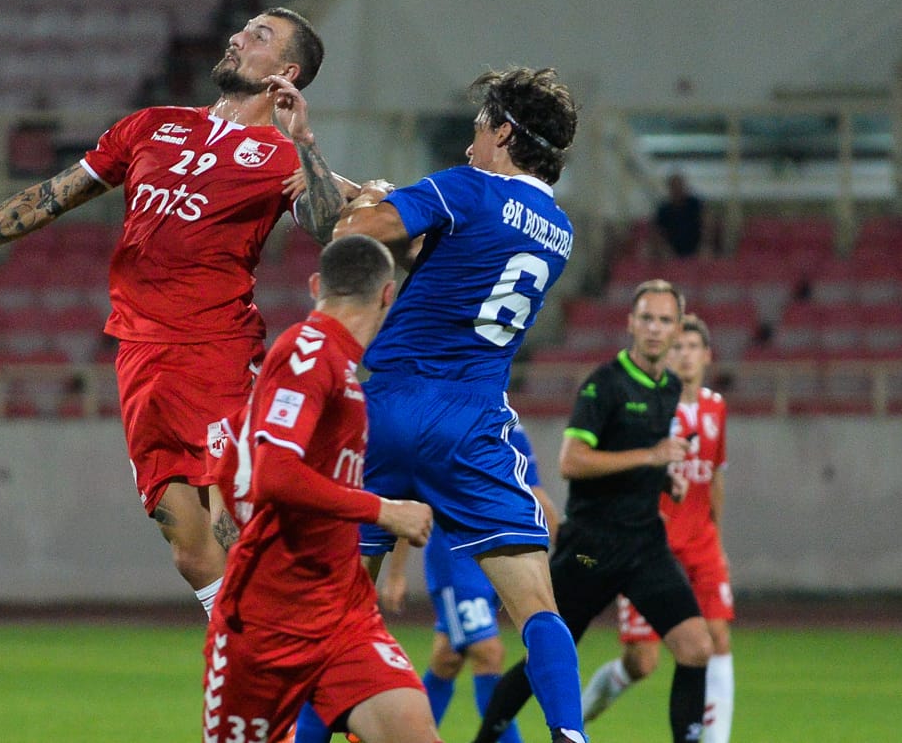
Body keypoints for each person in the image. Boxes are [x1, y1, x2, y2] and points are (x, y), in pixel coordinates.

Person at [0, 8, 350, 616]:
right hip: (139, 357)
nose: (237, 37)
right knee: (188, 547)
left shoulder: (280, 158)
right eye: (241, 29)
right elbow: (51, 196)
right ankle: (249, 664)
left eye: (258, 36)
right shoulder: (151, 126)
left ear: (285, 72)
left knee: (233, 523)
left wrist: (306, 144)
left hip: (215, 353)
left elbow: (324, 224)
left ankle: (291, 675)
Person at [267, 65, 588, 743]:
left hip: (382, 408)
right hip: (471, 419)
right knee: (535, 604)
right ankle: (570, 734)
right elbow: (453, 252)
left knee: (335, 614)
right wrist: (368, 191)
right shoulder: (556, 229)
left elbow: (364, 234)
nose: (469, 142)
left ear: (502, 131)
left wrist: (366, 200)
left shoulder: (467, 185)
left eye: (476, 128)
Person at [204, 234, 440, 743]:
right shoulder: (308, 353)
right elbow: (274, 474)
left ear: (316, 285)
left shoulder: (337, 365)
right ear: (387, 296)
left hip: (342, 613)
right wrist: (383, 510)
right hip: (271, 620)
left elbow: (243, 467)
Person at [471, 280, 713, 743]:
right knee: (543, 658)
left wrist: (664, 478)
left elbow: (644, 452)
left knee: (696, 647)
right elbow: (571, 462)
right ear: (631, 324)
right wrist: (651, 458)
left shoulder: (670, 386)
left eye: (665, 320)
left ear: (678, 327)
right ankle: (487, 738)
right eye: (646, 318)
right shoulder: (604, 385)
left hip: (644, 544)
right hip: (591, 547)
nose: (655, 329)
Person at [580, 313, 734, 743]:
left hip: (701, 542)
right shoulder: (648, 406)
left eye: (692, 347)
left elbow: (715, 475)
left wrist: (717, 540)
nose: (684, 355)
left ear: (706, 355)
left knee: (717, 636)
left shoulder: (716, 408)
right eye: (677, 347)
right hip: (653, 545)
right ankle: (581, 714)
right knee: (642, 661)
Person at [360, 424, 557, 743]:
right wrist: (396, 573)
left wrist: (566, 543)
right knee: (488, 653)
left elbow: (534, 493)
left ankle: (404, 736)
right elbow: (411, 502)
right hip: (455, 561)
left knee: (447, 659)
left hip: (495, 559)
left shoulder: (513, 430)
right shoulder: (448, 425)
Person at [653, 172, 705, 259]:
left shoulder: (695, 204)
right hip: (671, 252)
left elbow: (706, 224)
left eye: (679, 186)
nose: (677, 190)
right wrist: (664, 249)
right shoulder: (664, 209)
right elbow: (657, 232)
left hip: (696, 249)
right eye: (674, 187)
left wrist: (705, 244)